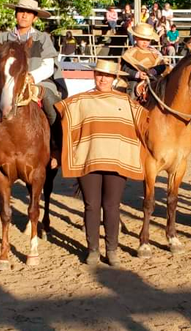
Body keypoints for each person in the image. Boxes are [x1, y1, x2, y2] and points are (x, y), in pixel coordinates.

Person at [55, 59, 146, 267]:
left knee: (112, 206)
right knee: (91, 205)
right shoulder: (80, 101)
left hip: (116, 160)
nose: (103, 78)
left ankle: (112, 250)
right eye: (99, 74)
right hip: (89, 159)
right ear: (94, 76)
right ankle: (93, 250)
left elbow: (147, 123)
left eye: (107, 75)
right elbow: (61, 115)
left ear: (114, 79)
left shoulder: (127, 102)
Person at [0, 0, 68, 174]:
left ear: (35, 17)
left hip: (39, 81)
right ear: (16, 14)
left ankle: (56, 148)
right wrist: (2, 80)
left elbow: (48, 66)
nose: (24, 15)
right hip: (7, 83)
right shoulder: (3, 38)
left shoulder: (42, 38)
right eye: (21, 11)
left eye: (29, 13)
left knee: (52, 103)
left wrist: (30, 77)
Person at [121, 23, 168, 100]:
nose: (145, 42)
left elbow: (162, 66)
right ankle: (131, 106)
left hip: (155, 78)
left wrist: (154, 71)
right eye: (142, 39)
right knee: (132, 91)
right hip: (135, 80)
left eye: (147, 40)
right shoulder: (129, 53)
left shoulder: (154, 53)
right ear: (135, 38)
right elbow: (124, 69)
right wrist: (137, 74)